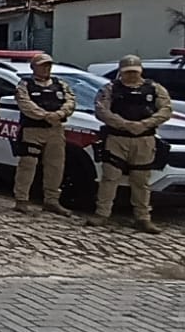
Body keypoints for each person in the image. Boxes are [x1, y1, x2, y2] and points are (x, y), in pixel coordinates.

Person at [89, 54, 174, 233]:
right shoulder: (110, 89)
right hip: (117, 138)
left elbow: (166, 110)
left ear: (140, 71)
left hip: (144, 139)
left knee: (141, 181)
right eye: (127, 72)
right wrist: (124, 124)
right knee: (110, 177)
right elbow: (101, 110)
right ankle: (102, 213)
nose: (131, 76)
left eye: (134, 72)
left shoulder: (154, 89)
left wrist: (145, 124)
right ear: (121, 72)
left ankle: (142, 218)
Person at [12, 52, 77, 216]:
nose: (46, 68)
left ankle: (52, 200)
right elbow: (26, 105)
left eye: (48, 65)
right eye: (42, 65)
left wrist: (60, 114)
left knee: (55, 166)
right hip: (33, 129)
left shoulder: (60, 84)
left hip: (55, 130)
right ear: (33, 67)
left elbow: (70, 101)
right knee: (28, 165)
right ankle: (21, 199)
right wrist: (46, 115)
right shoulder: (25, 84)